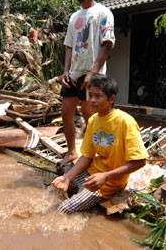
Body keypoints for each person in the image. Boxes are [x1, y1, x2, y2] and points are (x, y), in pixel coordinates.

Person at [52, 76, 148, 214]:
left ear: (111, 99)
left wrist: (106, 176)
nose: (92, 100)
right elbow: (87, 156)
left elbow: (140, 162)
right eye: (90, 95)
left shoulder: (125, 122)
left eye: (98, 96)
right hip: (90, 173)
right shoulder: (93, 120)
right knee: (56, 184)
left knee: (63, 209)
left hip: (107, 183)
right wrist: (67, 177)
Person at [59, 0, 115, 167]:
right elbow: (69, 46)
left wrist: (92, 74)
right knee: (66, 112)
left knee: (90, 116)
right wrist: (65, 71)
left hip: (93, 73)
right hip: (73, 73)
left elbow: (106, 44)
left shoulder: (103, 13)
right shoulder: (74, 17)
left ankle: (93, 156)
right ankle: (72, 152)